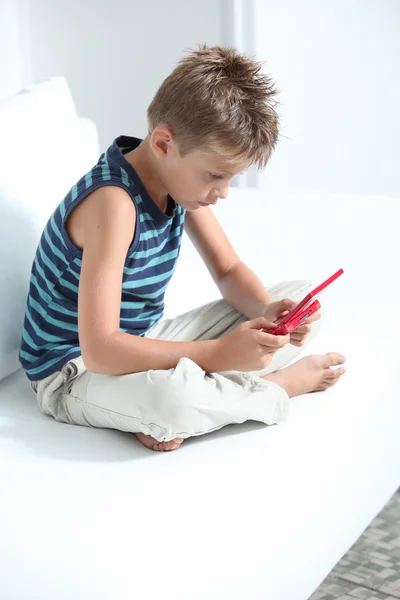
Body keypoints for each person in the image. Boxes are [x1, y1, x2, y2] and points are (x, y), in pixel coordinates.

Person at [19, 44, 346, 452]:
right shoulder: (114, 203)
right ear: (162, 143)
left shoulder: (176, 185)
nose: (223, 192)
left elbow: (228, 271)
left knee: (300, 296)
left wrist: (266, 313)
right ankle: (276, 388)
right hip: (73, 370)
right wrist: (222, 354)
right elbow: (101, 351)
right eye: (215, 175)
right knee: (172, 401)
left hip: (141, 340)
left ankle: (197, 399)